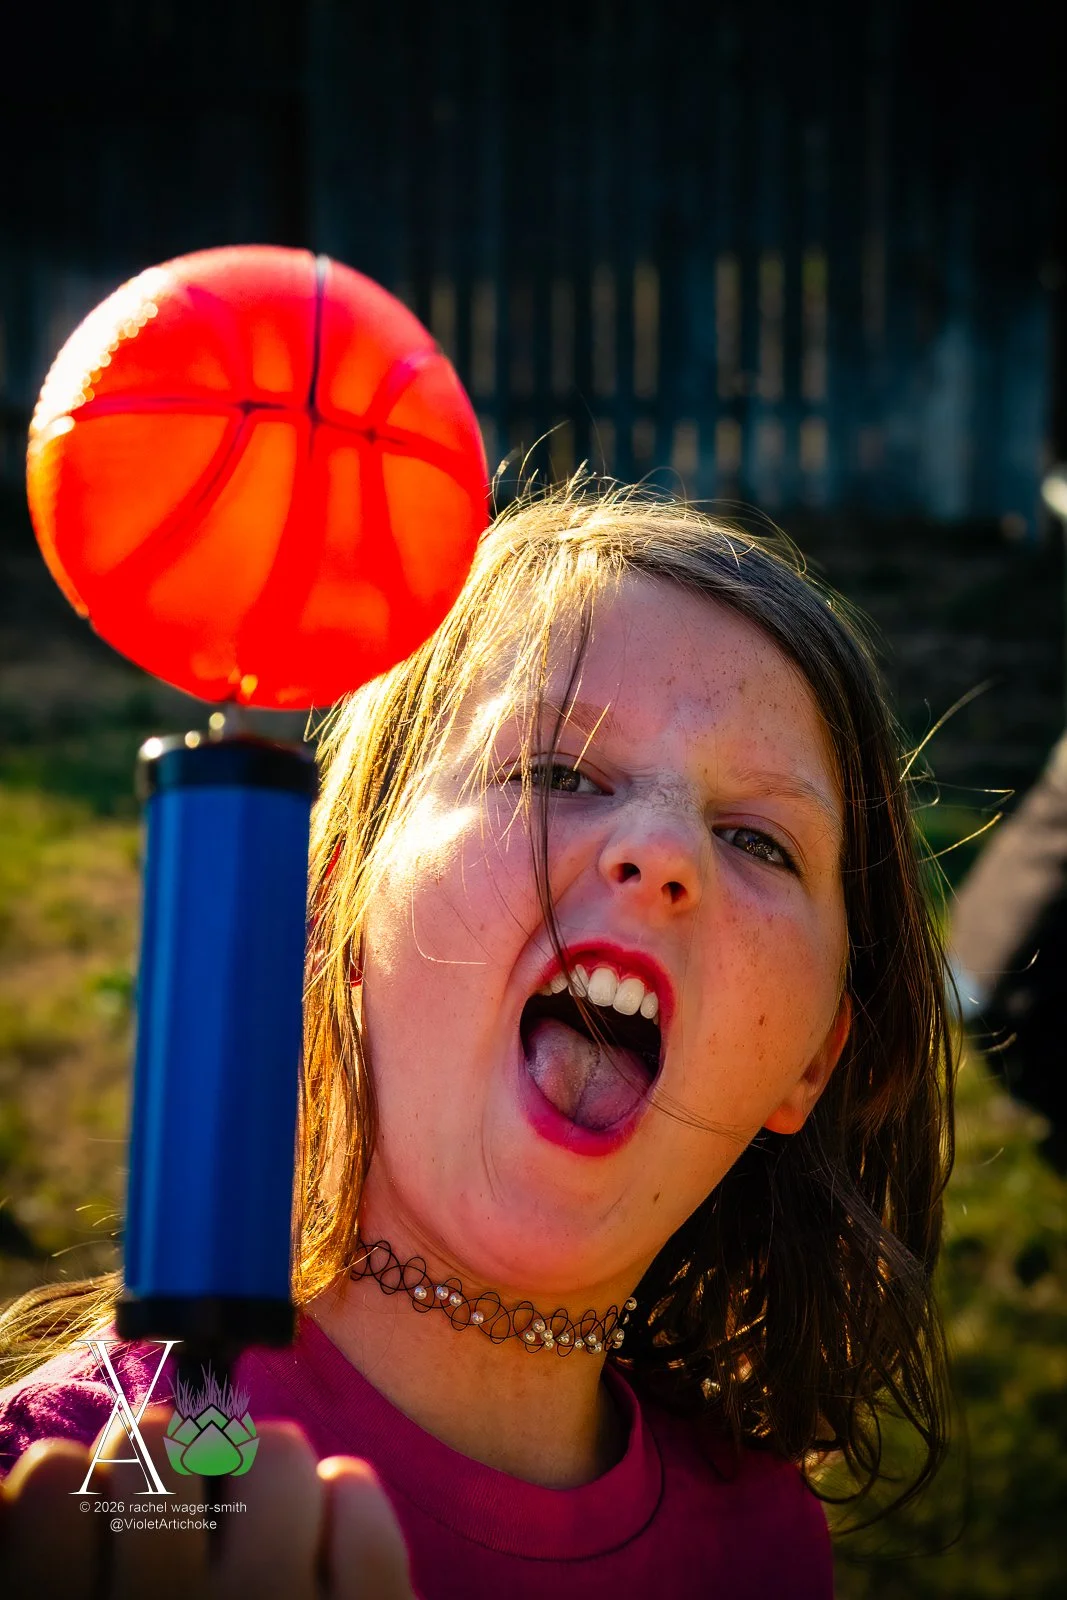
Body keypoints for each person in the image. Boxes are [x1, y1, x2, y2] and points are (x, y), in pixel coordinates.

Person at [0, 482, 956, 1598]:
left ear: (812, 1060)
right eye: (557, 774)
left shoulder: (765, 1550)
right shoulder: (75, 1499)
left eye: (757, 839)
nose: (659, 851)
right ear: (338, 910)